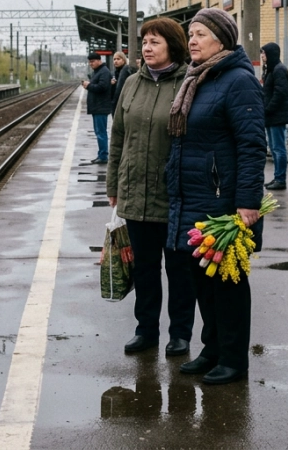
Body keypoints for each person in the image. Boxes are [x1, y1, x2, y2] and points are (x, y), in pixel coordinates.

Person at [166, 8, 265, 386]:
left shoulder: (238, 80)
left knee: (228, 282)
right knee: (203, 280)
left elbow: (252, 145)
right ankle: (212, 348)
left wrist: (248, 202)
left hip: (223, 201)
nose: (192, 40)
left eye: (201, 34)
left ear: (222, 40)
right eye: (190, 34)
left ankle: (235, 358)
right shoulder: (198, 78)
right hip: (192, 195)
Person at [106, 18, 194, 358]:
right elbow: (118, 138)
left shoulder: (188, 82)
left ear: (172, 45)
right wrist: (113, 182)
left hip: (174, 197)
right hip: (135, 194)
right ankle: (146, 330)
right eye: (144, 42)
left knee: (179, 271)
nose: (146, 48)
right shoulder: (131, 84)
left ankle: (180, 334)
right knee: (144, 270)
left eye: (154, 42)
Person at [260, 42, 288, 190]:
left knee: (278, 148)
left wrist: (268, 108)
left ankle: (281, 179)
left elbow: (280, 92)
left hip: (277, 115)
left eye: (264, 53)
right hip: (271, 115)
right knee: (273, 148)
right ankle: (277, 177)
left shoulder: (279, 70)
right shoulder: (271, 70)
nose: (262, 56)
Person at [81, 52, 112, 164]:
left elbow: (102, 87)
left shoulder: (103, 72)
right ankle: (101, 154)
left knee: (101, 132)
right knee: (99, 132)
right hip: (97, 107)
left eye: (93, 61)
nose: (91, 64)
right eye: (89, 62)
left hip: (101, 107)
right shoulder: (98, 72)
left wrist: (89, 85)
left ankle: (103, 156)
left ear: (99, 60)